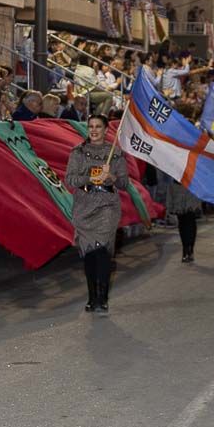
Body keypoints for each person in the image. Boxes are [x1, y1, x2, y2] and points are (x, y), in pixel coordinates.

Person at [64, 115, 129, 313]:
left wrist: (111, 176)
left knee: (101, 251)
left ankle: (103, 297)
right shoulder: (78, 152)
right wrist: (90, 177)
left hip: (107, 206)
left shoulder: (115, 153)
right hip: (84, 206)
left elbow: (124, 183)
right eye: (90, 126)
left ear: (105, 130)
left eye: (98, 127)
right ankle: (92, 297)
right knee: (89, 254)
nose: (94, 130)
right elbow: (70, 180)